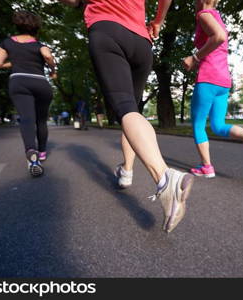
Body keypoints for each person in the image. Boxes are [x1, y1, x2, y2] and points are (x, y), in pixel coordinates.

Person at [58, 0, 194, 233]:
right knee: (132, 112)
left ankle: (165, 178)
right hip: (141, 41)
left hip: (107, 30)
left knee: (125, 108)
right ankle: (126, 172)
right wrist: (158, 21)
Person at [182, 0, 243, 178]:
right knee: (218, 126)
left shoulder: (203, 15)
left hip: (208, 77)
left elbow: (219, 37)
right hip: (223, 79)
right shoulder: (218, 17)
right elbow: (217, 43)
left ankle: (206, 167)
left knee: (198, 124)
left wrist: (194, 58)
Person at [0, 10, 57, 176]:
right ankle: (42, 152)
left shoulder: (7, 43)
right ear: (36, 27)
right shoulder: (39, 44)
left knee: (27, 119)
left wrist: (14, 63)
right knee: (41, 120)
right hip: (40, 82)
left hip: (19, 81)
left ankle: (31, 152)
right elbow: (48, 56)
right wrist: (52, 69)